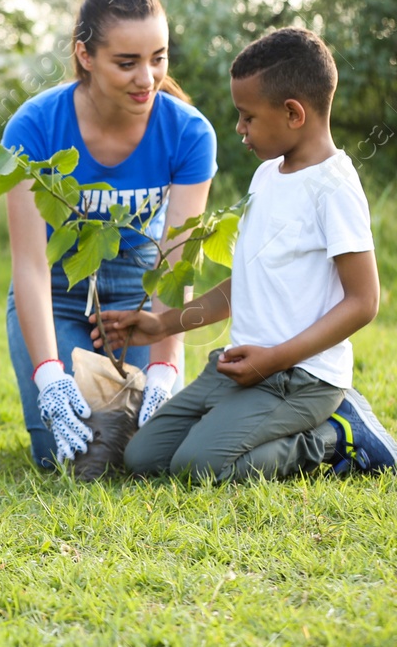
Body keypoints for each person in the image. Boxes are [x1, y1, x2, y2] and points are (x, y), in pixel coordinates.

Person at [97, 27, 395, 480]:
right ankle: (249, 416)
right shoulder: (266, 176)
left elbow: (364, 302)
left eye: (247, 117)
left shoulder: (334, 188)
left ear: (293, 113)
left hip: (302, 379)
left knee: (199, 468)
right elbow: (247, 284)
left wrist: (274, 360)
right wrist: (162, 323)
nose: (239, 129)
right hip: (242, 366)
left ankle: (335, 437)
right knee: (143, 458)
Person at [2, 0, 216, 469]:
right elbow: (31, 265)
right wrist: (50, 377)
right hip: (57, 292)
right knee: (70, 459)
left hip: (139, 301)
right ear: (85, 55)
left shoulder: (189, 133)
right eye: (127, 63)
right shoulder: (34, 127)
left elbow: (176, 262)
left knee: (149, 454)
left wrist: (164, 369)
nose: (148, 78)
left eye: (158, 58)